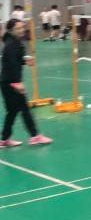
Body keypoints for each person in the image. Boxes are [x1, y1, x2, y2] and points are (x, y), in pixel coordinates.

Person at [1, 19, 53, 147]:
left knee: (12, 111)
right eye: (18, 28)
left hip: (6, 82)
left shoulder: (14, 41)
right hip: (11, 83)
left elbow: (16, 60)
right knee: (24, 108)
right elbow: (12, 65)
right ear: (11, 30)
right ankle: (35, 136)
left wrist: (25, 61)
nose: (21, 30)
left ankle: (4, 140)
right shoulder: (11, 45)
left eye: (22, 27)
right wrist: (17, 83)